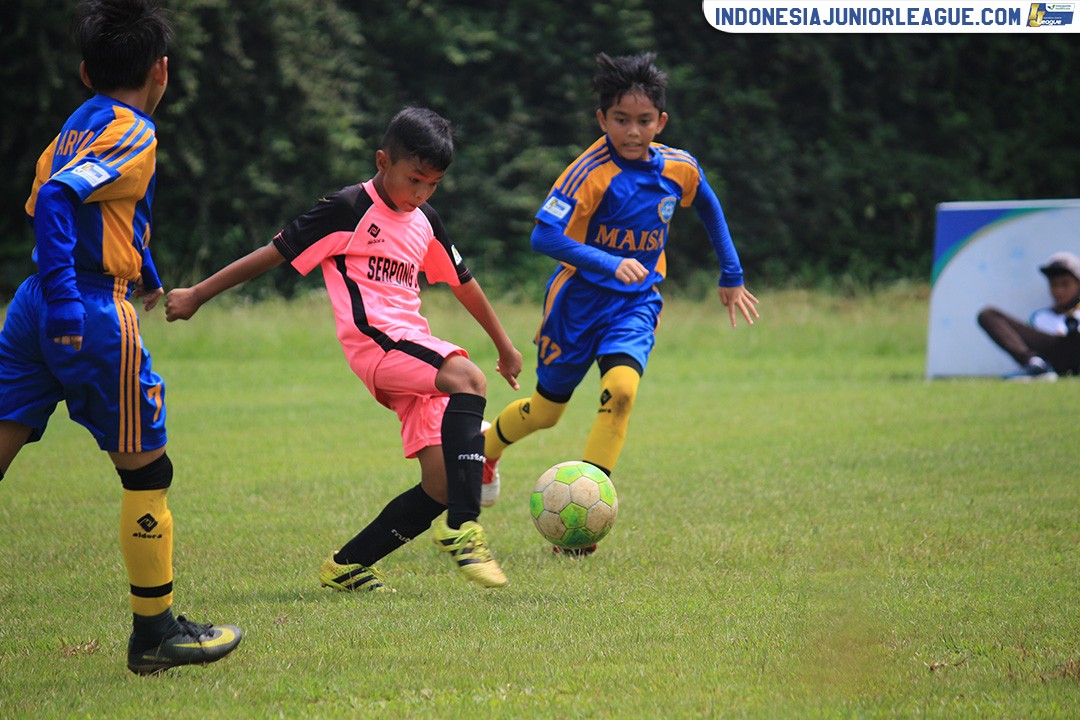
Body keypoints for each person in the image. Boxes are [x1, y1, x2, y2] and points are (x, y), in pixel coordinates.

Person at [165, 107, 523, 590]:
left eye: (432, 185)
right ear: (382, 161)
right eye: (414, 179)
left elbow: (463, 282)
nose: (420, 193)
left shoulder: (425, 220)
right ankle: (464, 526)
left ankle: (349, 565)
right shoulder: (347, 208)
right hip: (377, 346)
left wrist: (505, 344)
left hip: (413, 348)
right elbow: (274, 253)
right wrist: (197, 294)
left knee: (439, 484)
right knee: (469, 378)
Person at [0, 0, 242, 675]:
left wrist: (142, 263)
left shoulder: (75, 125)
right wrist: (72, 310)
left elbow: (68, 201)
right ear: (161, 69)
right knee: (148, 471)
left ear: (84, 72)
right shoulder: (134, 130)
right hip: (87, 310)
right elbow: (57, 204)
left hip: (28, 305)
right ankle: (156, 633)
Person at [480, 52, 759, 552]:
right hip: (576, 306)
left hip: (636, 303)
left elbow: (711, 206)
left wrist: (732, 274)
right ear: (602, 120)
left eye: (644, 121)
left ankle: (584, 523)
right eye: (622, 120)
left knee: (623, 391)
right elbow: (543, 237)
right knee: (546, 412)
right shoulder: (588, 171)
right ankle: (483, 449)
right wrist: (606, 262)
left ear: (661, 121)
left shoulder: (678, 168)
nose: (633, 131)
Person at [977, 251, 1080, 382]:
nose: (1058, 290)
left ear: (1078, 284)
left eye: (1065, 284)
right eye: (1054, 284)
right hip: (1051, 356)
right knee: (987, 314)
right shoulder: (1039, 317)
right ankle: (1035, 365)